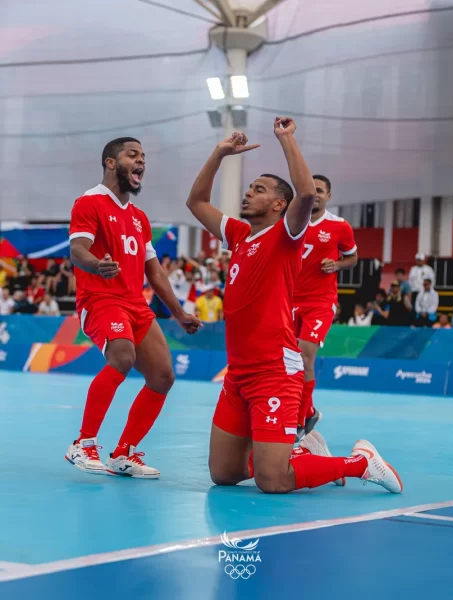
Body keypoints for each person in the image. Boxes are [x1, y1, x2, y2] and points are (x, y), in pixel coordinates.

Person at [186, 117, 402, 495]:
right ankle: (294, 452)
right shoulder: (239, 235)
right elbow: (196, 201)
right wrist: (220, 153)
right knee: (224, 474)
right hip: (238, 374)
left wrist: (285, 138)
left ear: (279, 204)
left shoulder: (285, 235)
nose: (248, 193)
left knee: (274, 481)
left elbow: (305, 194)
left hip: (273, 372)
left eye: (259, 189)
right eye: (250, 188)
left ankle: (361, 463)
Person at [66, 137, 201, 479]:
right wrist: (98, 265)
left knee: (163, 376)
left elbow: (153, 270)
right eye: (133, 155)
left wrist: (179, 312)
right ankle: (83, 443)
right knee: (123, 356)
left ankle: (124, 453)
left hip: (134, 304)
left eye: (144, 156)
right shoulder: (89, 202)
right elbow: (78, 251)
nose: (141, 161)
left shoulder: (139, 217)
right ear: (111, 163)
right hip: (100, 299)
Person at [291, 175, 357, 443]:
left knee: (306, 356)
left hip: (320, 301)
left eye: (320, 190)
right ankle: (309, 412)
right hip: (289, 301)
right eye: (311, 190)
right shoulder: (292, 221)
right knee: (289, 359)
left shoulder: (339, 226)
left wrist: (337, 264)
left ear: (328, 195)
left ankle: (297, 421)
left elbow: (352, 257)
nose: (315, 194)